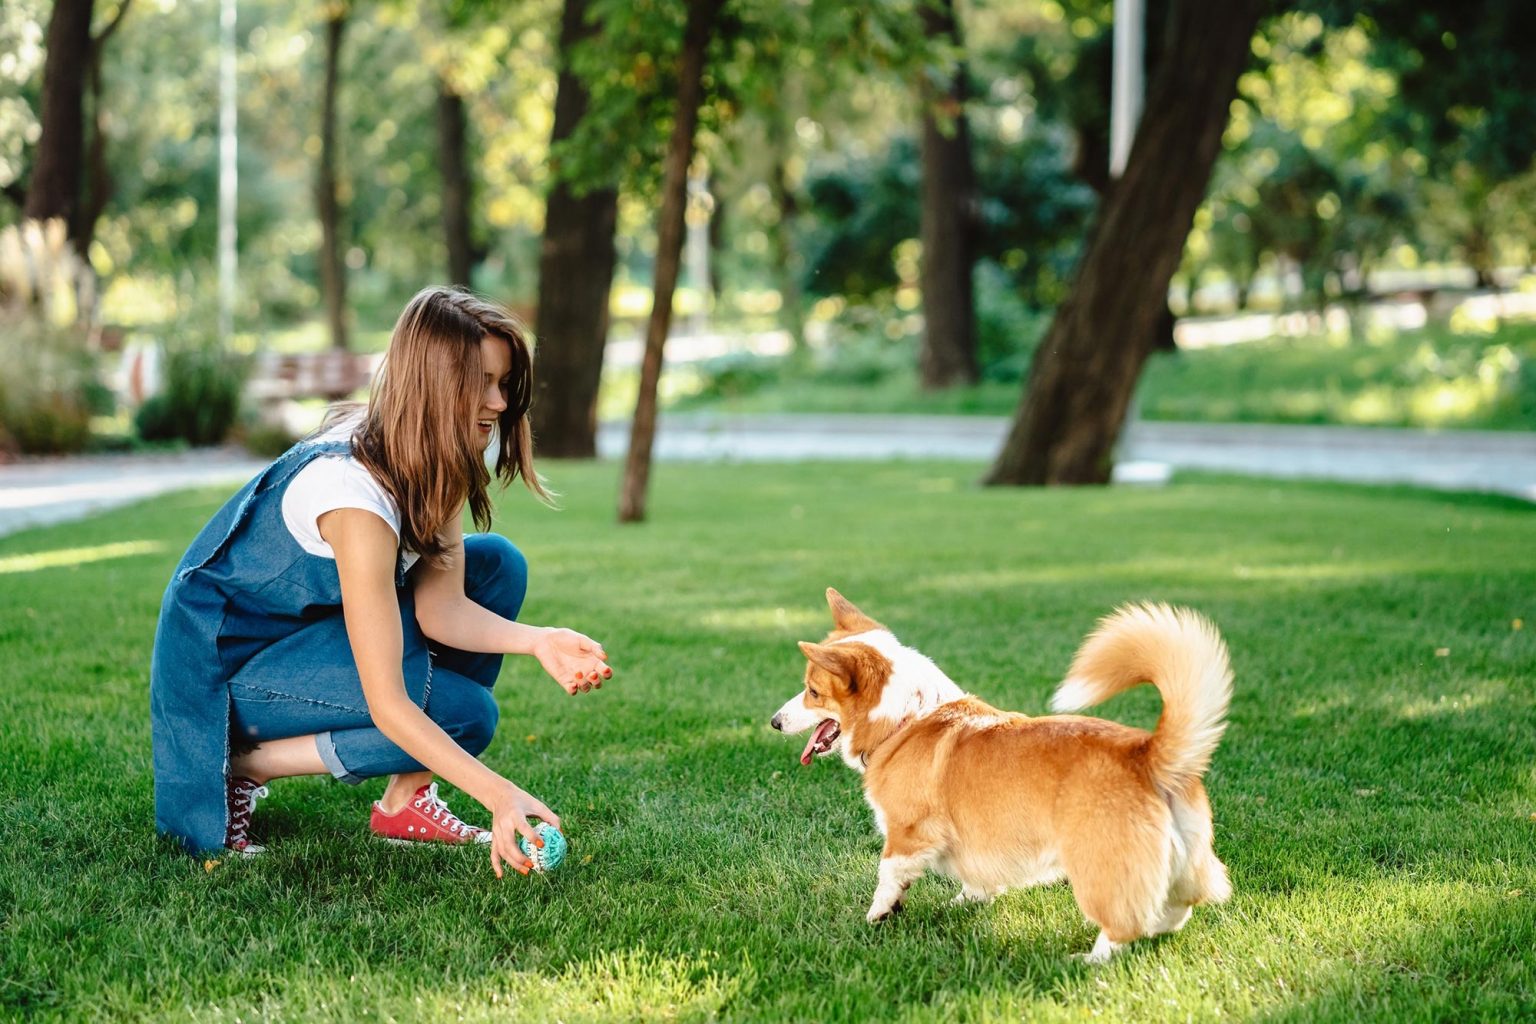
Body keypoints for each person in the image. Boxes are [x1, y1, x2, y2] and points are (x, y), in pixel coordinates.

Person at [150, 286, 610, 878]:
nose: (498, 403)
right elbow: (387, 702)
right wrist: (499, 796)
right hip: (222, 669)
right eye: (483, 383)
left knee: (496, 564)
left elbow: (442, 611)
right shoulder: (354, 498)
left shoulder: (431, 455)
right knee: (464, 714)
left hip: (297, 636)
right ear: (434, 384)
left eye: (503, 384)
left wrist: (539, 640)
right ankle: (245, 763)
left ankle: (406, 802)